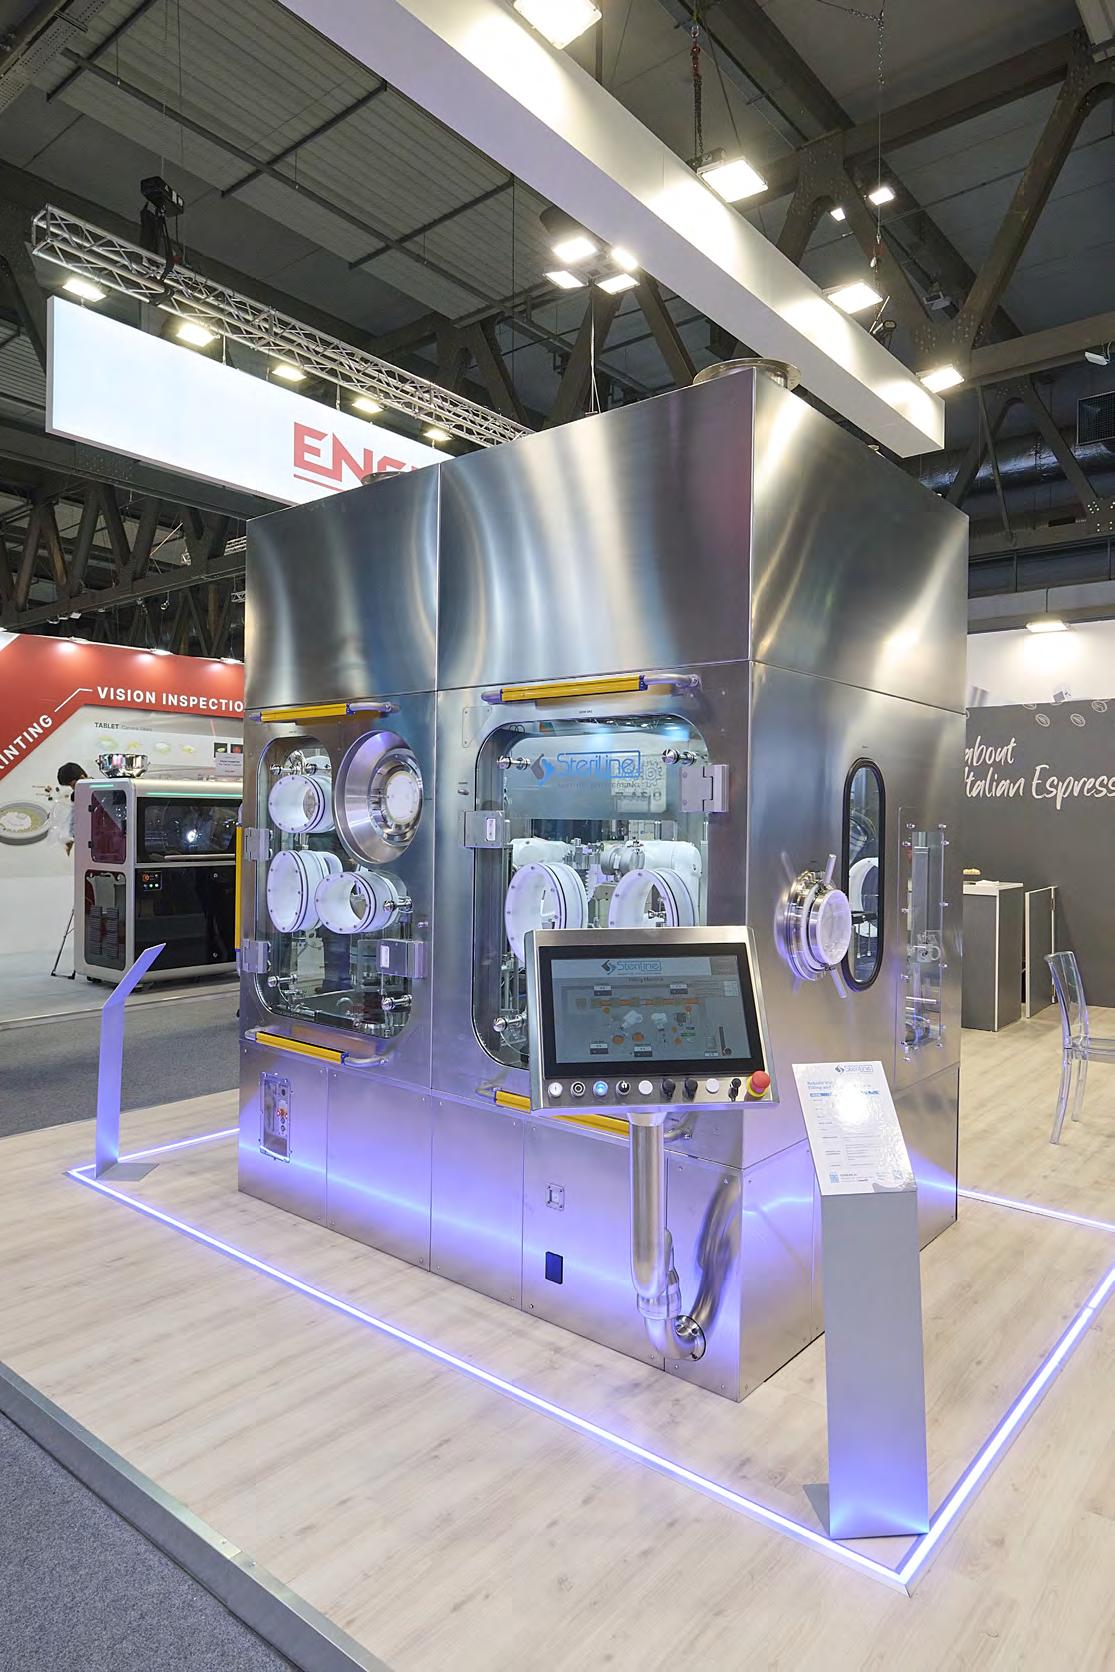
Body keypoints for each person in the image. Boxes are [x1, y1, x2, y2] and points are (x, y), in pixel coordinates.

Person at [51, 762, 87, 856]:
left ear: (82, 777)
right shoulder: (76, 796)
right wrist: (71, 837)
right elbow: (74, 817)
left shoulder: (103, 788)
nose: (73, 789)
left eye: (73, 785)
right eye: (70, 786)